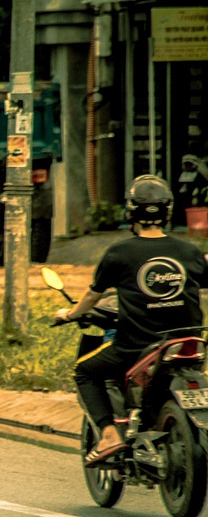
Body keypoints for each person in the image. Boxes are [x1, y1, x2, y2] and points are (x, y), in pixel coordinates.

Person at [54, 175, 208, 465]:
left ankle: (110, 435)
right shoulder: (189, 251)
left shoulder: (119, 253)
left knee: (85, 371)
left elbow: (92, 297)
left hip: (138, 346)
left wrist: (69, 314)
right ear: (168, 211)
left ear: (130, 211)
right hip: (189, 342)